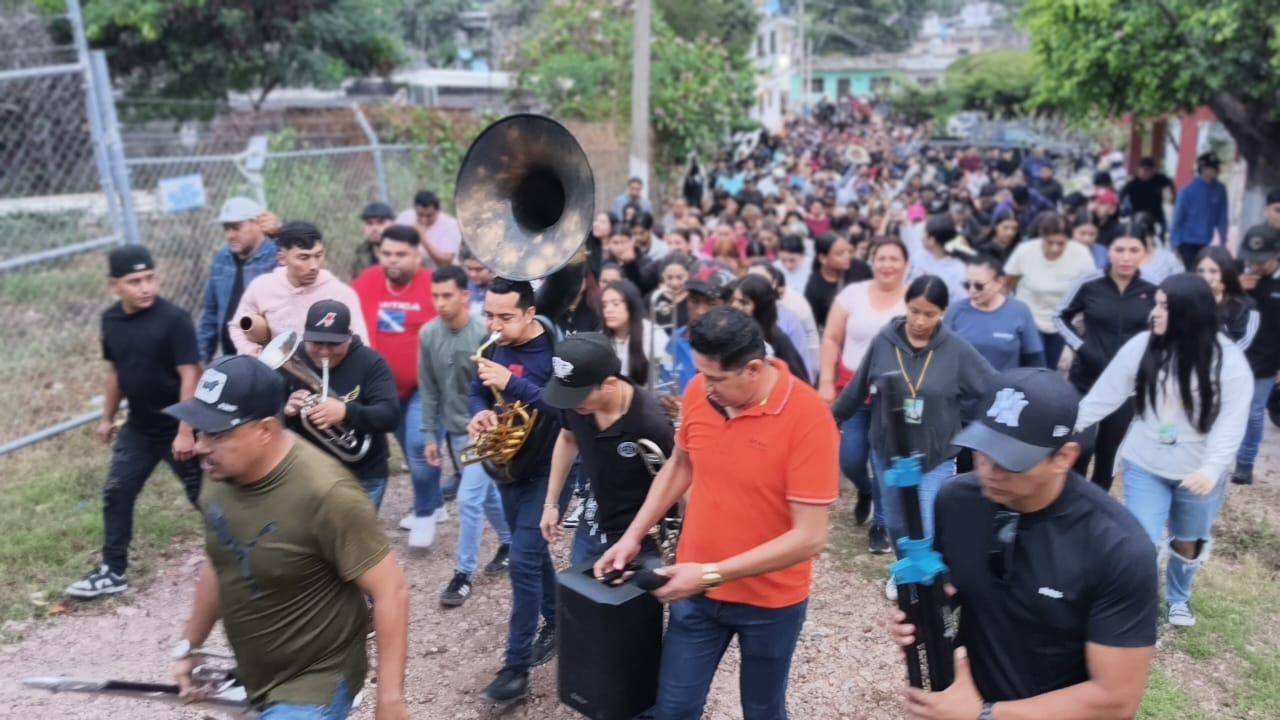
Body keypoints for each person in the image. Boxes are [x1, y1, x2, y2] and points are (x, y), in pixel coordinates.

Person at [595, 307, 838, 720]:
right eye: (700, 374)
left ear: (754, 369)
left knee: (762, 710)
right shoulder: (700, 392)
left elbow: (809, 537)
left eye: (715, 378)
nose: (703, 388)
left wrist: (710, 573)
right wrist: (633, 535)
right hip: (697, 593)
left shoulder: (809, 420)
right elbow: (680, 465)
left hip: (771, 602)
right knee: (674, 709)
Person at [893, 367, 1156, 719]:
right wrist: (924, 613)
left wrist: (985, 715)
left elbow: (1115, 698)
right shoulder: (956, 501)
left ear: (1064, 457)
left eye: (1011, 460)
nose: (988, 470)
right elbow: (956, 592)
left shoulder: (1117, 547)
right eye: (984, 449)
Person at [164, 356, 410, 720]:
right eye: (199, 430)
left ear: (265, 429)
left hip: (316, 681)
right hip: (255, 676)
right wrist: (190, 644)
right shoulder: (217, 477)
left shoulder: (327, 493)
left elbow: (392, 590)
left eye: (217, 433)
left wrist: (389, 700)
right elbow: (221, 562)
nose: (200, 447)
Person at [1076, 274, 1251, 627]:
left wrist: (1211, 469)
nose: (1153, 313)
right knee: (1143, 542)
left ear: (1189, 313)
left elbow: (1231, 423)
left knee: (1188, 543)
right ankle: (1141, 611)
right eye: (1154, 304)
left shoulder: (1229, 362)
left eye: (1163, 306)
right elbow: (1105, 395)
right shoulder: (1142, 346)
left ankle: (1179, 598)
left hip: (1198, 471)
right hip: (1146, 463)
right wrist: (1066, 427)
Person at [834, 276, 994, 596]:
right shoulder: (884, 340)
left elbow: (991, 387)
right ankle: (906, 570)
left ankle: (927, 582)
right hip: (888, 451)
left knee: (926, 526)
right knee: (895, 524)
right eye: (914, 311)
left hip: (935, 454)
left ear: (943, 313)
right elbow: (859, 386)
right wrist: (830, 419)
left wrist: (985, 433)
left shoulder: (956, 350)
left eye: (930, 314)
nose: (920, 321)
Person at [66, 246, 203, 599]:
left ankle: (248, 554)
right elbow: (116, 372)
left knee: (206, 495)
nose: (145, 287)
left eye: (150, 278)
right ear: (115, 285)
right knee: (116, 491)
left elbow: (190, 374)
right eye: (134, 281)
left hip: (178, 425)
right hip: (139, 428)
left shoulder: (174, 319)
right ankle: (113, 571)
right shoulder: (111, 321)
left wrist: (186, 430)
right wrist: (107, 418)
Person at [468, 278, 567, 706]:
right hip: (509, 469)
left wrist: (512, 382)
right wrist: (480, 416)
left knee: (523, 560)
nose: (495, 325)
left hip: (551, 469)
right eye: (489, 315)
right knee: (533, 554)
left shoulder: (556, 350)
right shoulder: (490, 346)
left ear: (530, 313)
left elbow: (565, 408)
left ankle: (515, 669)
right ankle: (560, 619)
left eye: (505, 317)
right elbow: (477, 391)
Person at [541, 334, 675, 564]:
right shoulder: (576, 403)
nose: (572, 405)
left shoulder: (650, 422)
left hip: (644, 535)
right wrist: (551, 503)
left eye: (579, 398)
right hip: (594, 521)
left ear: (609, 385)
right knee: (580, 595)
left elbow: (679, 478)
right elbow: (567, 438)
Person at [422, 266, 513, 607]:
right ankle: (510, 542)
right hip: (454, 431)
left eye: (448, 295)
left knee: (469, 498)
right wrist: (429, 433)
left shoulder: (483, 332)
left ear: (464, 295)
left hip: (486, 428)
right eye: (435, 296)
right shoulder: (429, 334)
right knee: (486, 496)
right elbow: (429, 388)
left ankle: (463, 574)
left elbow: (494, 388)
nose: (440, 303)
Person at [351, 225, 440, 544]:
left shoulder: (433, 286)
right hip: (382, 390)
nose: (392, 260)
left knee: (418, 446)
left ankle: (426, 513)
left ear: (418, 255)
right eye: (386, 254)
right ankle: (437, 501)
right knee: (407, 446)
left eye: (401, 254)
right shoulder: (366, 283)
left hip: (424, 388)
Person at [820, 238, 910, 551]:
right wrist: (827, 381)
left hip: (894, 394)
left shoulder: (913, 299)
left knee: (883, 457)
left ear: (906, 264)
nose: (887, 264)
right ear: (872, 261)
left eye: (894, 259)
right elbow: (831, 337)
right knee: (851, 457)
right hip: (853, 388)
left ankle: (882, 525)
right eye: (881, 257)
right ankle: (867, 490)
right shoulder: (852, 295)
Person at [1055, 224, 1157, 490]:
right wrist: (1082, 347)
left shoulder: (1153, 291)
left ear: (1144, 254)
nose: (1126, 257)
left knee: (1108, 454)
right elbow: (1060, 316)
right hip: (1085, 381)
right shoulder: (1089, 284)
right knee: (1080, 445)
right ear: (1107, 251)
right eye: (1119, 249)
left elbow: (1162, 330)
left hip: (1126, 389)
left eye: (1134, 250)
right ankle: (1071, 500)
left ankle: (1097, 506)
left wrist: (1147, 361)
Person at [280, 300, 400, 510]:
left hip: (363, 475)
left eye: (334, 343)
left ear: (349, 336)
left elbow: (390, 415)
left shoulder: (371, 363)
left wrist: (345, 412)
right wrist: (287, 412)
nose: (324, 351)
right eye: (316, 343)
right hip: (310, 474)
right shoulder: (293, 359)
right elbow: (265, 419)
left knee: (357, 541)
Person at [229, 222, 368, 355]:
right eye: (304, 257)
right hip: (273, 374)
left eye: (318, 255)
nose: (314, 265)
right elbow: (237, 327)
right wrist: (257, 356)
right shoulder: (261, 287)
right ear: (282, 258)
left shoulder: (341, 294)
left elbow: (361, 344)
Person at [1003, 213, 1097, 368]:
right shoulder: (1025, 251)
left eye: (1061, 243)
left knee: (1052, 367)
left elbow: (1090, 289)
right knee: (1034, 366)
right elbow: (1007, 285)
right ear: (1042, 237)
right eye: (1050, 243)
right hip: (1029, 318)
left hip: (1062, 320)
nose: (1055, 248)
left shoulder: (1081, 254)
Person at [198, 197, 278, 362]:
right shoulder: (222, 259)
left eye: (236, 227)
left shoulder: (276, 257)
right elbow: (211, 314)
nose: (230, 235)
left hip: (266, 357)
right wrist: (201, 359)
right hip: (231, 358)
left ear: (257, 224)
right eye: (226, 228)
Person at [1233, 223, 1280, 485]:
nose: (1255, 265)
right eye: (1251, 259)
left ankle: (1245, 463)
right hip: (1235, 354)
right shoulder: (1238, 274)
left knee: (1254, 412)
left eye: (1261, 261)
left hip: (1267, 361)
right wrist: (1235, 287)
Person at [946, 255, 1044, 372]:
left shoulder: (1019, 311)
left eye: (979, 286)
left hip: (1005, 387)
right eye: (966, 285)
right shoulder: (956, 310)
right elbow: (942, 353)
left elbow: (1034, 358)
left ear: (999, 282)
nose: (972, 290)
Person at [731, 274, 809, 381]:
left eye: (743, 302)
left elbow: (798, 381)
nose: (735, 306)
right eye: (734, 300)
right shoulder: (730, 333)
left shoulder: (778, 340)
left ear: (760, 308)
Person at [601, 279, 669, 387]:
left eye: (615, 304)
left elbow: (667, 371)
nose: (608, 310)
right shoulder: (601, 337)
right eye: (604, 305)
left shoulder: (653, 334)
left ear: (631, 304)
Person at [1171, 153, 1229, 270]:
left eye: (1217, 167)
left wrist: (1223, 240)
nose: (1216, 170)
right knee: (1192, 272)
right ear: (1203, 168)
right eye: (1213, 168)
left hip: (1206, 242)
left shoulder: (1220, 190)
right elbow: (1178, 218)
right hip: (1187, 242)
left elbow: (1222, 217)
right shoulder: (1188, 191)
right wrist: (1175, 243)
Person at [1195, 245, 1259, 349]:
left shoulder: (1244, 306)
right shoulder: (1188, 300)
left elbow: (1242, 343)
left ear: (1225, 273)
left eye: (1213, 271)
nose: (1206, 277)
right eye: (1200, 271)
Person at [805, 233, 872, 328]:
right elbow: (814, 323)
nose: (847, 256)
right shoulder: (814, 286)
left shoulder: (861, 269)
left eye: (849, 251)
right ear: (823, 258)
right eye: (840, 253)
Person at [395, 190, 462, 267]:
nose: (424, 220)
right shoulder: (404, 218)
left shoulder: (451, 225)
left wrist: (423, 239)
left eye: (429, 216)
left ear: (438, 211)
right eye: (420, 215)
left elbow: (445, 262)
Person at [909, 214, 967, 300]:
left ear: (932, 241)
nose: (920, 237)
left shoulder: (958, 270)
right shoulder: (919, 254)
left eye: (923, 233)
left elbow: (960, 302)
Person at [1120, 157, 1176, 238]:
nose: (1145, 172)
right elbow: (1120, 197)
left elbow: (1169, 199)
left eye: (1148, 170)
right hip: (1137, 218)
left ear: (1153, 170)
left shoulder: (1162, 181)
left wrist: (1168, 195)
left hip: (1157, 218)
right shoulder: (1132, 183)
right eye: (1143, 170)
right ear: (1139, 170)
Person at [353, 201, 395, 278]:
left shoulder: (406, 251)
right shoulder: (360, 253)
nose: (374, 228)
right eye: (369, 223)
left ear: (392, 224)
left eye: (380, 222)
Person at [654, 253, 692, 330]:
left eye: (679, 277)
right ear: (663, 276)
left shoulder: (694, 299)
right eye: (669, 277)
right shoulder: (653, 298)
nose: (674, 283)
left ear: (688, 276)